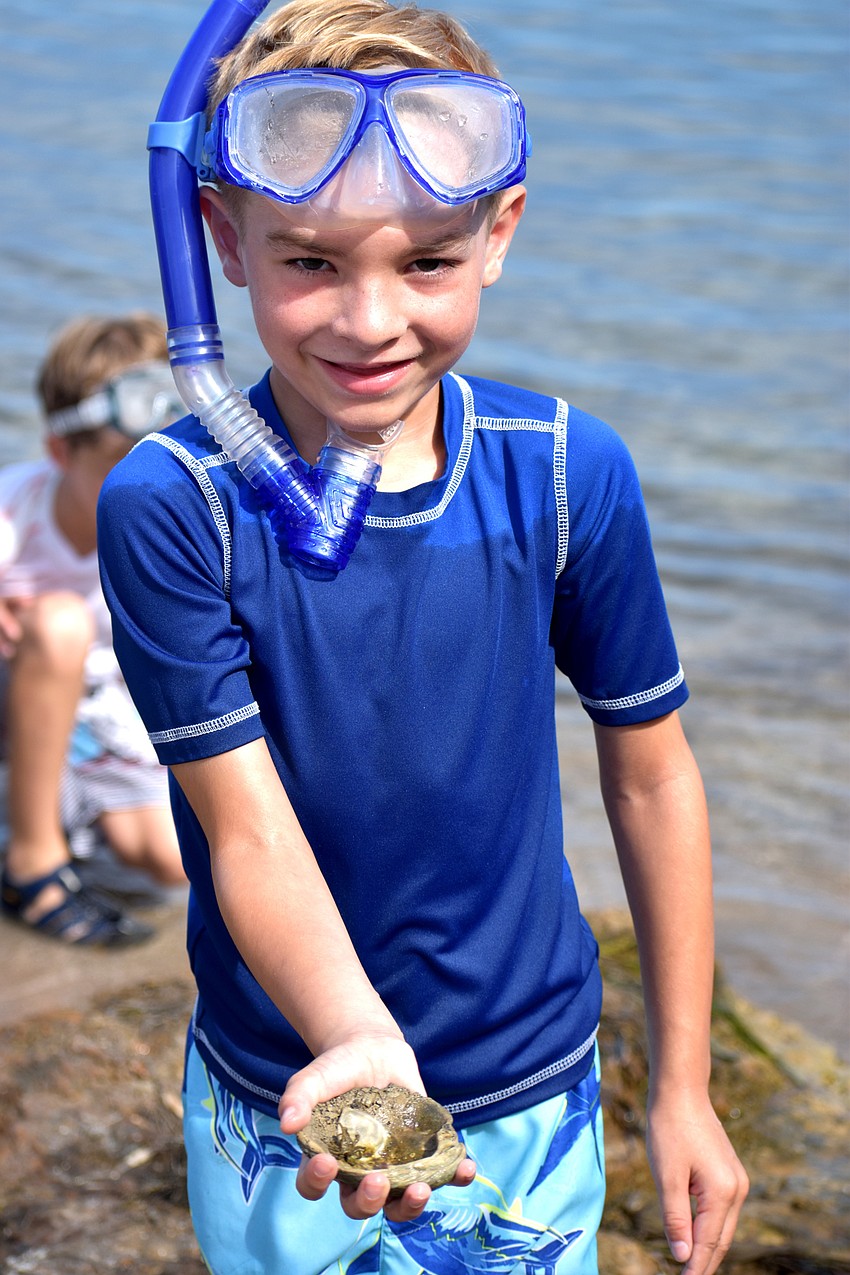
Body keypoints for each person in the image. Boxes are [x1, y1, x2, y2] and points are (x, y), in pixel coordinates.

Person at [98, 1, 748, 1271]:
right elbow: (246, 828)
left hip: (533, 1084)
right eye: (310, 262)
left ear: (498, 233)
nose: (369, 320)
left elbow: (653, 777)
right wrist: (355, 1037)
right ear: (223, 238)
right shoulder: (177, 506)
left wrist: (683, 1084)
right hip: (293, 1093)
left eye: (427, 264)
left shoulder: (562, 472)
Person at [0, 313, 186, 948]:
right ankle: (32, 864)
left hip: (99, 716)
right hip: (19, 696)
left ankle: (62, 823)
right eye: (119, 467)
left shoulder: (176, 532)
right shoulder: (16, 513)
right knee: (59, 621)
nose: (148, 493)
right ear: (60, 453)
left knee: (171, 864)